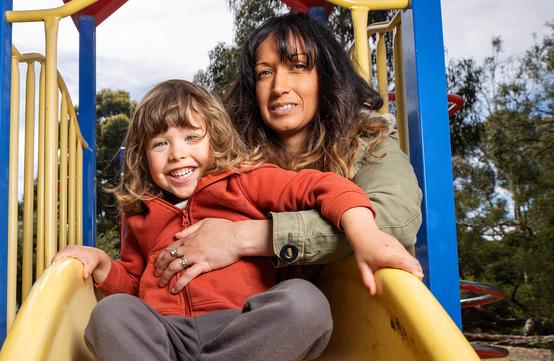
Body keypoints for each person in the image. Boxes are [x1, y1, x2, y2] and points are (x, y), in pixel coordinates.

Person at [54, 79, 417, 361]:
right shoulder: (140, 214)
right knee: (112, 313)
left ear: (216, 138)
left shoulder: (244, 181)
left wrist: (365, 233)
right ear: (142, 155)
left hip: (242, 331)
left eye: (192, 137)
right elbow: (134, 285)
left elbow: (323, 186)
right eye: (160, 144)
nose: (177, 152)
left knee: (306, 303)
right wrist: (103, 266)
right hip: (166, 339)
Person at [153, 12, 423, 297]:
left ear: (325, 76)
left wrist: (243, 237)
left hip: (355, 315)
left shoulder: (368, 141)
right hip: (247, 316)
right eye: (265, 73)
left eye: (297, 66)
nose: (279, 88)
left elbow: (394, 219)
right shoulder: (230, 157)